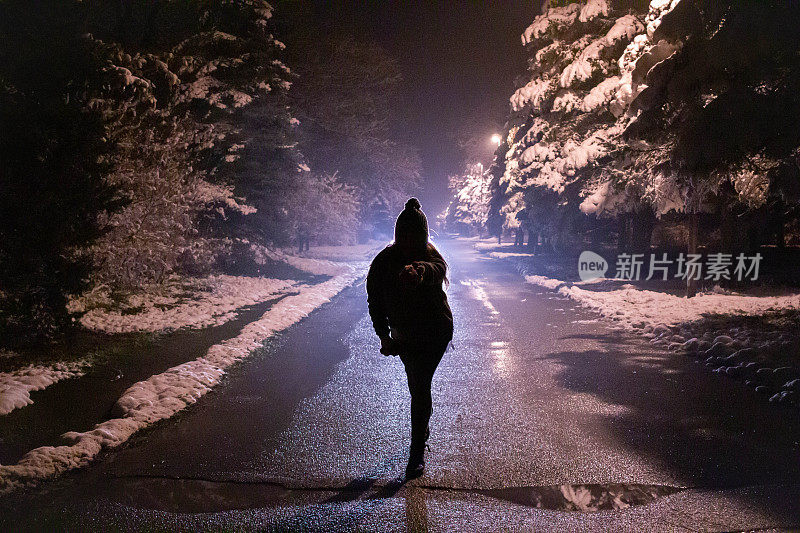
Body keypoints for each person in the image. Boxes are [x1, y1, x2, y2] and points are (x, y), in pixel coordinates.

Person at [366, 197, 454, 479]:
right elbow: (375, 303)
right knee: (417, 385)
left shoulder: (430, 256)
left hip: (435, 332)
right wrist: (383, 336)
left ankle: (416, 450)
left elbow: (436, 270)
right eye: (405, 234)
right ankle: (422, 427)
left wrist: (419, 271)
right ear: (397, 234)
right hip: (405, 335)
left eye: (416, 235)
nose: (410, 240)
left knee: (420, 384)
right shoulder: (383, 263)